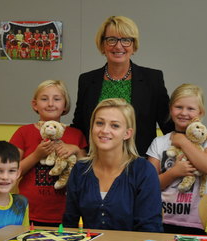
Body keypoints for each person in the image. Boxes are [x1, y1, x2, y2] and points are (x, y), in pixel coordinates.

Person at [71, 15, 173, 156]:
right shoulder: (87, 80)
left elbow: (168, 124)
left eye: (126, 40)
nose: (118, 46)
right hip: (96, 162)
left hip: (139, 164)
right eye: (111, 39)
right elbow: (79, 125)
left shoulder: (152, 79)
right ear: (102, 44)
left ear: (134, 45)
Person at [63, 98, 163, 232]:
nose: (104, 130)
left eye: (114, 125)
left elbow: (150, 230)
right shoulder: (80, 170)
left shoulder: (143, 171)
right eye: (99, 123)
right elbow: (70, 224)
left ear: (127, 133)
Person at [10, 80, 87, 226]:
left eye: (57, 99)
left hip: (67, 213)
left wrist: (76, 150)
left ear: (65, 105)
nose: (50, 104)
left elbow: (86, 174)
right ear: (35, 105)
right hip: (29, 212)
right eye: (44, 99)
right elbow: (12, 172)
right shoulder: (23, 133)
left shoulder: (76, 135)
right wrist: (36, 156)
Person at [147, 84, 207, 235]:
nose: (183, 113)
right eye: (178, 107)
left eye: (190, 109)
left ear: (201, 112)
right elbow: (150, 185)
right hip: (163, 220)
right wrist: (173, 173)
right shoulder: (159, 142)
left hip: (198, 221)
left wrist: (184, 142)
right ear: (170, 109)